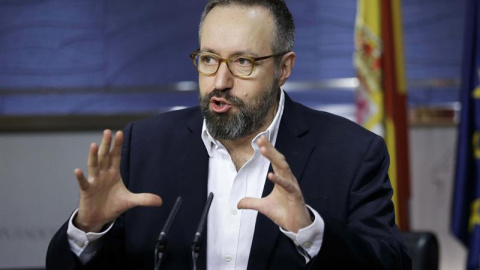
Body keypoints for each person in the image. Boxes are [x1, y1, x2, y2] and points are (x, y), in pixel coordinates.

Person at [46, 0, 411, 269]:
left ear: (284, 68)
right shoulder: (144, 147)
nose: (220, 82)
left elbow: (392, 263)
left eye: (243, 62)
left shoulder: (351, 152)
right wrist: (89, 229)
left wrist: (310, 232)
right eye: (208, 59)